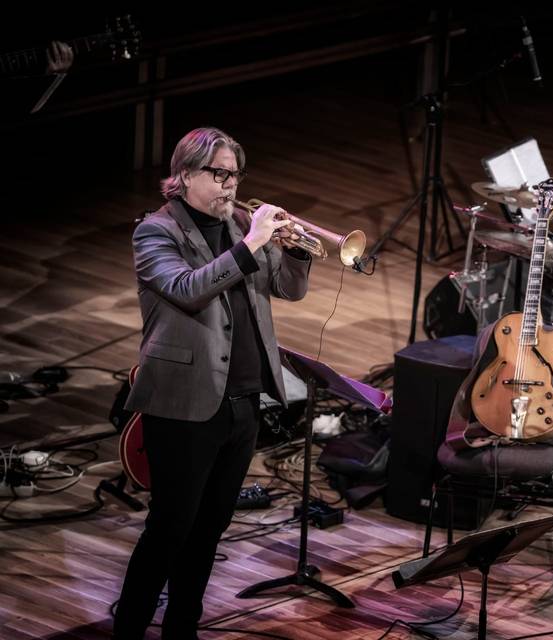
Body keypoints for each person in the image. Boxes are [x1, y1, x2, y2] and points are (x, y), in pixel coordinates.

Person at [114, 127, 313, 639]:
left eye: (234, 174)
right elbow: (187, 289)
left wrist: (295, 251)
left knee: (208, 532)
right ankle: (130, 628)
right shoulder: (155, 232)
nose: (229, 185)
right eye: (218, 173)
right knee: (169, 530)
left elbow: (287, 290)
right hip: (184, 405)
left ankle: (183, 627)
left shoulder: (242, 224)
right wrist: (252, 243)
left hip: (243, 401)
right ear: (183, 177)